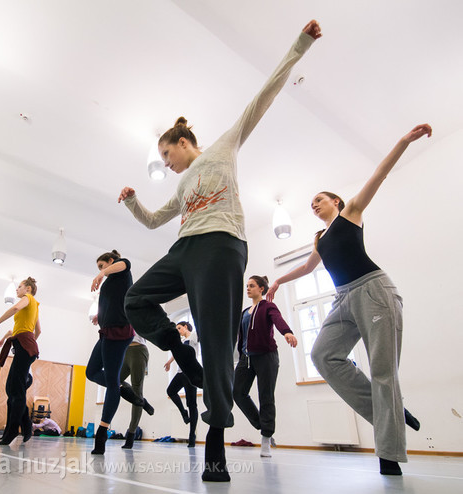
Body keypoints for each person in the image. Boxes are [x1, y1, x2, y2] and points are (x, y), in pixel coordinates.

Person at [118, 20, 322, 482]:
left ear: (184, 144)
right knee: (135, 300)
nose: (167, 166)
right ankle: (182, 354)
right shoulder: (182, 187)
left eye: (167, 156)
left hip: (221, 246)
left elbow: (261, 99)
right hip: (185, 249)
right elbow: (154, 220)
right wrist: (132, 202)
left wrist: (299, 46)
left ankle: (215, 439)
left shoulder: (222, 150)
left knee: (217, 341)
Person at [266, 124, 431, 475]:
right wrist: (278, 279)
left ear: (336, 202)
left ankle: (389, 456)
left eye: (319, 200)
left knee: (383, 373)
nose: (314, 205)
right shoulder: (319, 239)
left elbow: (379, 175)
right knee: (323, 355)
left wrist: (403, 141)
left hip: (373, 290)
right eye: (311, 204)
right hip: (343, 299)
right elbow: (309, 268)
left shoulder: (351, 212)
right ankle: (394, 413)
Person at [87, 249, 154, 455]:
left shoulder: (123, 267)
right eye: (98, 268)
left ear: (111, 260)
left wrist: (101, 274)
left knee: (112, 381)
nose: (101, 270)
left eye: (102, 265)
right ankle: (125, 390)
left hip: (120, 332)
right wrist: (101, 316)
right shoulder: (110, 281)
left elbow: (123, 264)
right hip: (107, 330)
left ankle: (102, 432)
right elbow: (114, 301)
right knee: (91, 372)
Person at [234, 275, 296, 457]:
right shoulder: (244, 312)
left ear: (262, 288)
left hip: (266, 356)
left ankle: (266, 439)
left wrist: (287, 332)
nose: (248, 289)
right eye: (247, 286)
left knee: (266, 396)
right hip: (246, 358)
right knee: (238, 393)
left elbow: (277, 319)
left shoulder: (268, 306)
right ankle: (263, 426)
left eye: (251, 286)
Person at [0, 277, 41, 445]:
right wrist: (8, 338)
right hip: (25, 346)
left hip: (25, 348)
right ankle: (24, 426)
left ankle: (13, 431)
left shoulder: (28, 299)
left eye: (19, 287)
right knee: (11, 390)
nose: (16, 289)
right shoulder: (33, 306)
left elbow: (14, 308)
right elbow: (36, 329)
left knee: (16, 392)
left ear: (28, 289)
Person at [164, 321, 200, 447]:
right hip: (181, 373)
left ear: (185, 327)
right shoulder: (180, 342)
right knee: (170, 391)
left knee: (192, 405)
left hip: (190, 374)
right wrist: (169, 362)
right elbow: (177, 353)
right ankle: (183, 413)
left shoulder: (194, 336)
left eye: (179, 328)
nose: (178, 331)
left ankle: (192, 435)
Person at [118, 329, 149, 449]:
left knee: (137, 389)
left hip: (138, 349)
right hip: (124, 350)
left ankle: (131, 435)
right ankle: (142, 401)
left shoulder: (141, 311)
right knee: (113, 381)